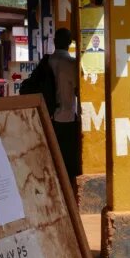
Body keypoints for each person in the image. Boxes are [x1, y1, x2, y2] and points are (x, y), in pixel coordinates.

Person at [49, 28, 80, 181]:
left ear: (54, 41)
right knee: (67, 161)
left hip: (47, 116)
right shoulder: (71, 63)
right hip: (66, 118)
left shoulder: (46, 62)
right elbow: (78, 91)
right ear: (69, 43)